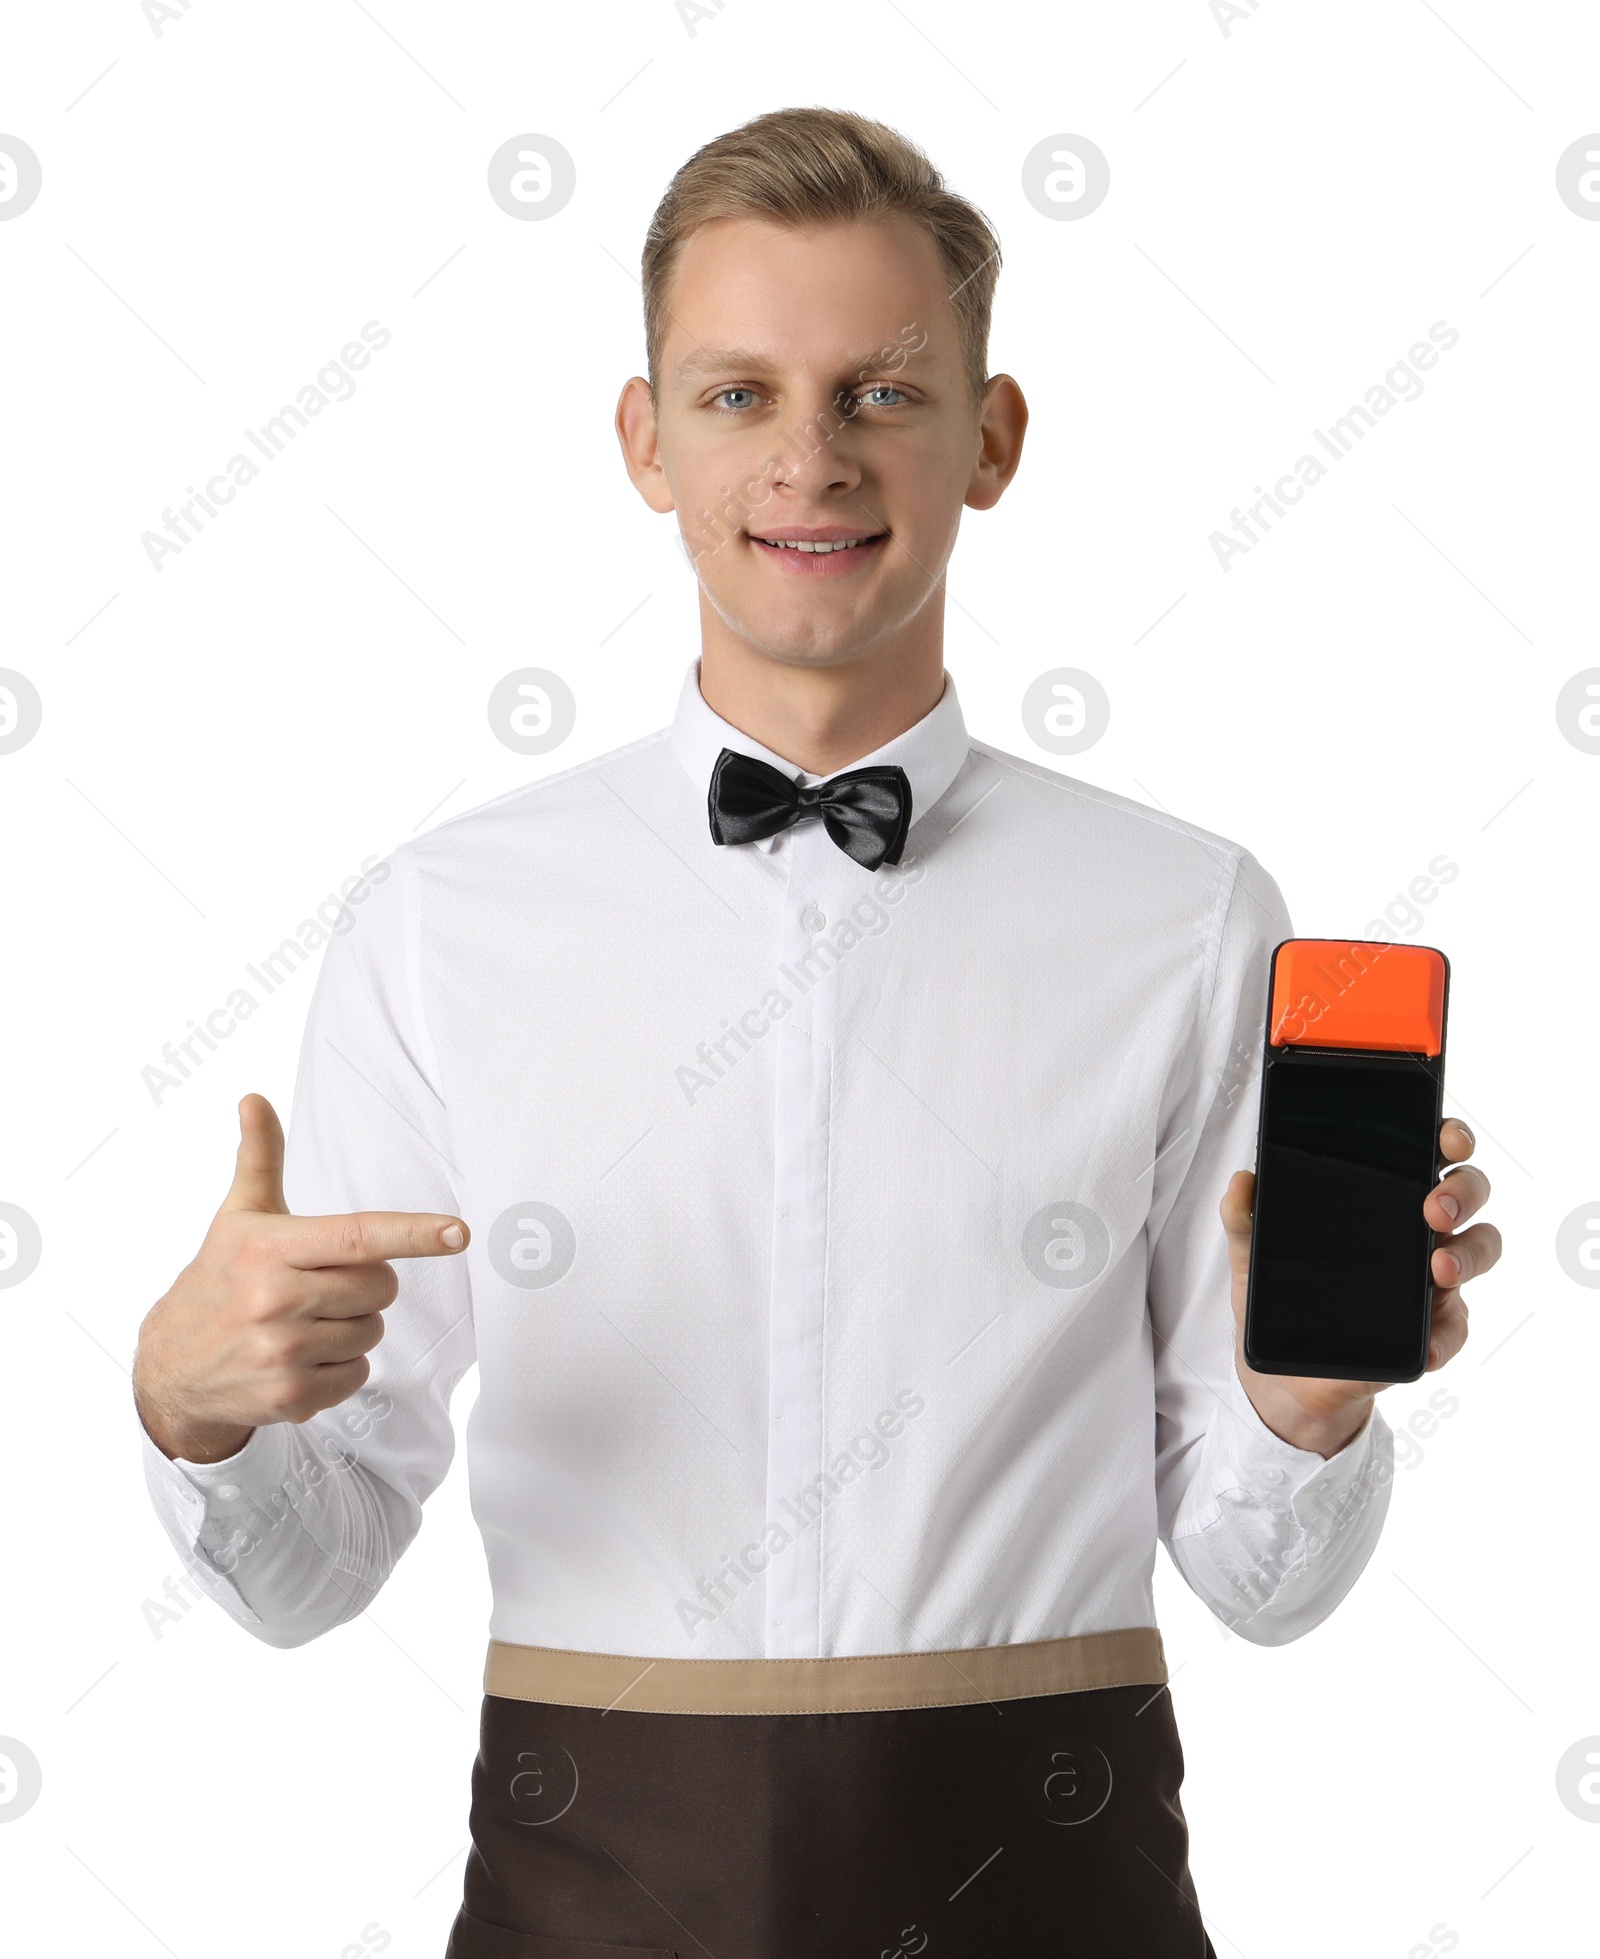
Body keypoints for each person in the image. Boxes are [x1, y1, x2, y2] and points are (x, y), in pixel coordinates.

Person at [133, 107, 1500, 1957]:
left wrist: (1309, 1406)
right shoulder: (444, 925)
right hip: (583, 1902)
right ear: (641, 438)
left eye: (878, 393)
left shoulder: (1188, 921)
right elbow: (316, 1574)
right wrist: (194, 1413)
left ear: (992, 440)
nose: (807, 460)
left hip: (1063, 1893)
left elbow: (1261, 1587)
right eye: (736, 395)